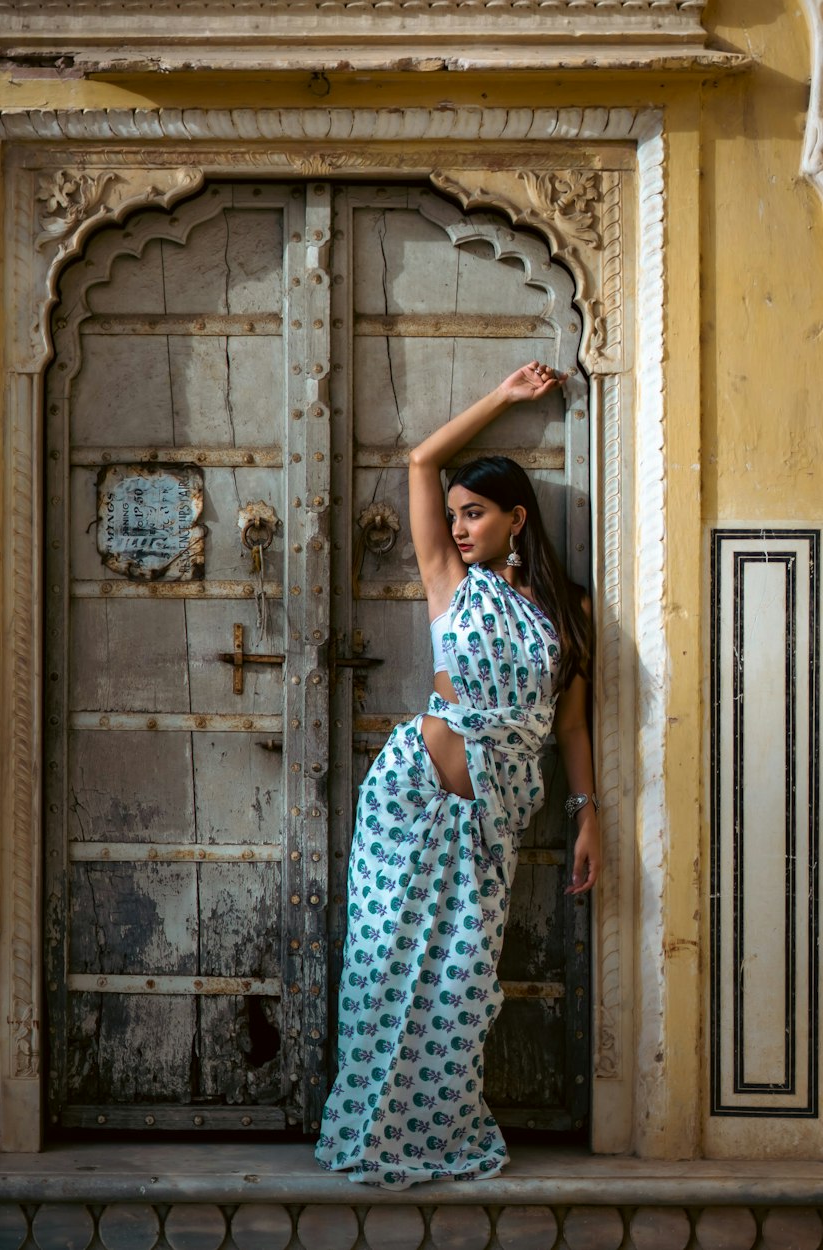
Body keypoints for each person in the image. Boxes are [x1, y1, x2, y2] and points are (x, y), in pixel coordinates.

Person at [315, 360, 601, 1189]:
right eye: (454, 517)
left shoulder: (569, 612)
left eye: (475, 514)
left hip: (493, 818)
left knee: (461, 987)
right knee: (381, 967)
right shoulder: (451, 582)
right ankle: (367, 1131)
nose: (460, 527)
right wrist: (503, 399)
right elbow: (419, 463)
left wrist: (589, 815)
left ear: (518, 517)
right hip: (411, 799)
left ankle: (435, 1139)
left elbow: (573, 723)